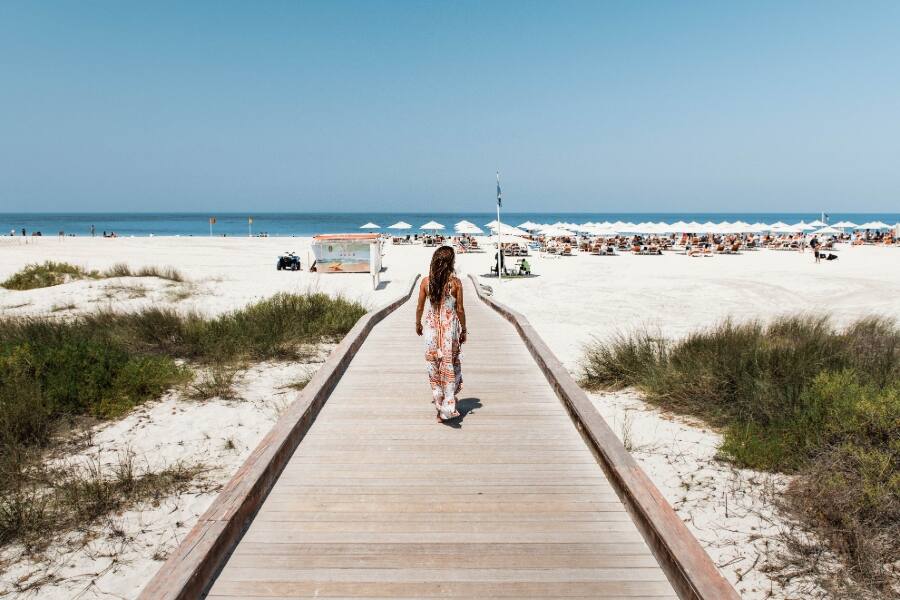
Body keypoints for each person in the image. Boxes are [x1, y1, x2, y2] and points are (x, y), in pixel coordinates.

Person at [415, 246, 467, 422]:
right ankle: (448, 403)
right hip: (449, 330)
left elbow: (420, 307)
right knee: (449, 364)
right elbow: (459, 309)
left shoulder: (425, 282)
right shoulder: (456, 283)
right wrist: (464, 329)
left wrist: (418, 324)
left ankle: (440, 404)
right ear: (450, 263)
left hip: (431, 328)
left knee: (434, 367)